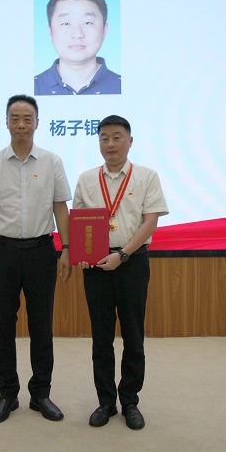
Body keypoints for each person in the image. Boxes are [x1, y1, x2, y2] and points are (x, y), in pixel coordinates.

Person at [0, 94, 72, 424]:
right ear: (7, 122)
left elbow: (60, 207)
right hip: (3, 253)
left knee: (42, 325)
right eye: (15, 118)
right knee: (3, 325)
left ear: (38, 123)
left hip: (42, 251)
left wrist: (67, 248)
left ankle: (41, 393)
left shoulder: (52, 162)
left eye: (28, 118)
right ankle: (7, 394)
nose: (22, 124)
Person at [72, 115, 169, 430]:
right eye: (104, 138)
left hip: (132, 263)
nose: (110, 144)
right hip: (96, 265)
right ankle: (105, 402)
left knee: (133, 335)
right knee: (101, 338)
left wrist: (123, 255)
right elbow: (81, 223)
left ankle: (130, 402)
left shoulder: (146, 176)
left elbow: (150, 222)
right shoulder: (87, 179)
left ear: (130, 141)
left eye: (116, 137)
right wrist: (82, 255)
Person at [34, 0, 121, 96]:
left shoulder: (122, 85)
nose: (77, 34)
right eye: (66, 23)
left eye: (87, 22)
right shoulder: (33, 86)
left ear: (104, 30)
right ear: (50, 31)